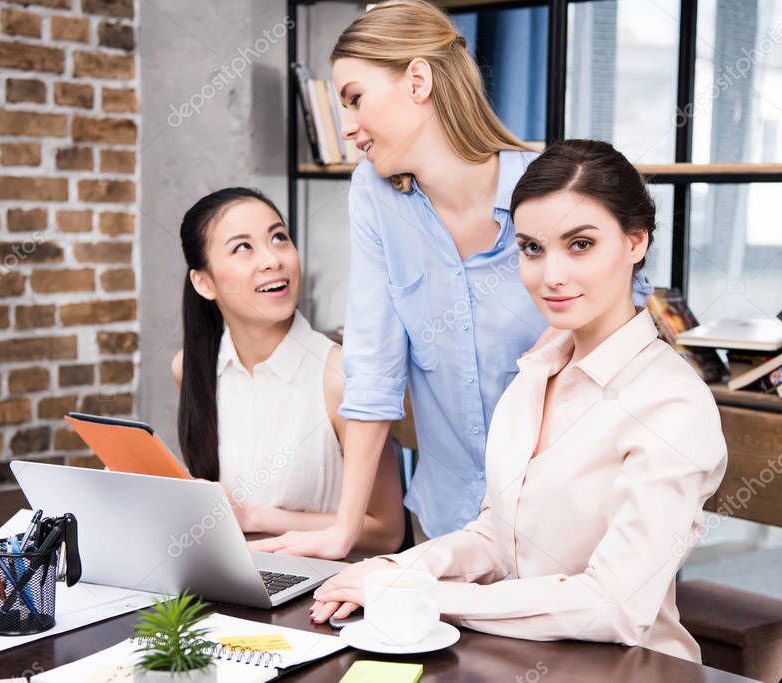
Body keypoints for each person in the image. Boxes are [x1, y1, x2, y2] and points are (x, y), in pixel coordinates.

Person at [253, 0, 652, 559]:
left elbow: (623, 335)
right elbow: (373, 365)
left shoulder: (547, 193)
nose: (347, 129)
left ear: (418, 80)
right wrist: (345, 529)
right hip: (444, 525)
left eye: (355, 99)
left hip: (565, 530)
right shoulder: (374, 196)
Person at [309, 139, 728, 664]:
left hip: (628, 671)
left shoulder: (671, 404)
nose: (551, 275)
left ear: (635, 242)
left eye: (580, 245)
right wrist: (400, 570)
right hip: (519, 660)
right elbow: (495, 536)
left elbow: (614, 604)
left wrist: (423, 596)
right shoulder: (534, 372)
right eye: (532, 248)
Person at [172, 187, 405, 553]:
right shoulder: (191, 367)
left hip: (321, 595)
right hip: (230, 584)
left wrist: (258, 519)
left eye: (279, 238)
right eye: (243, 247)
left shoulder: (341, 376)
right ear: (204, 282)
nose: (272, 260)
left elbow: (387, 530)